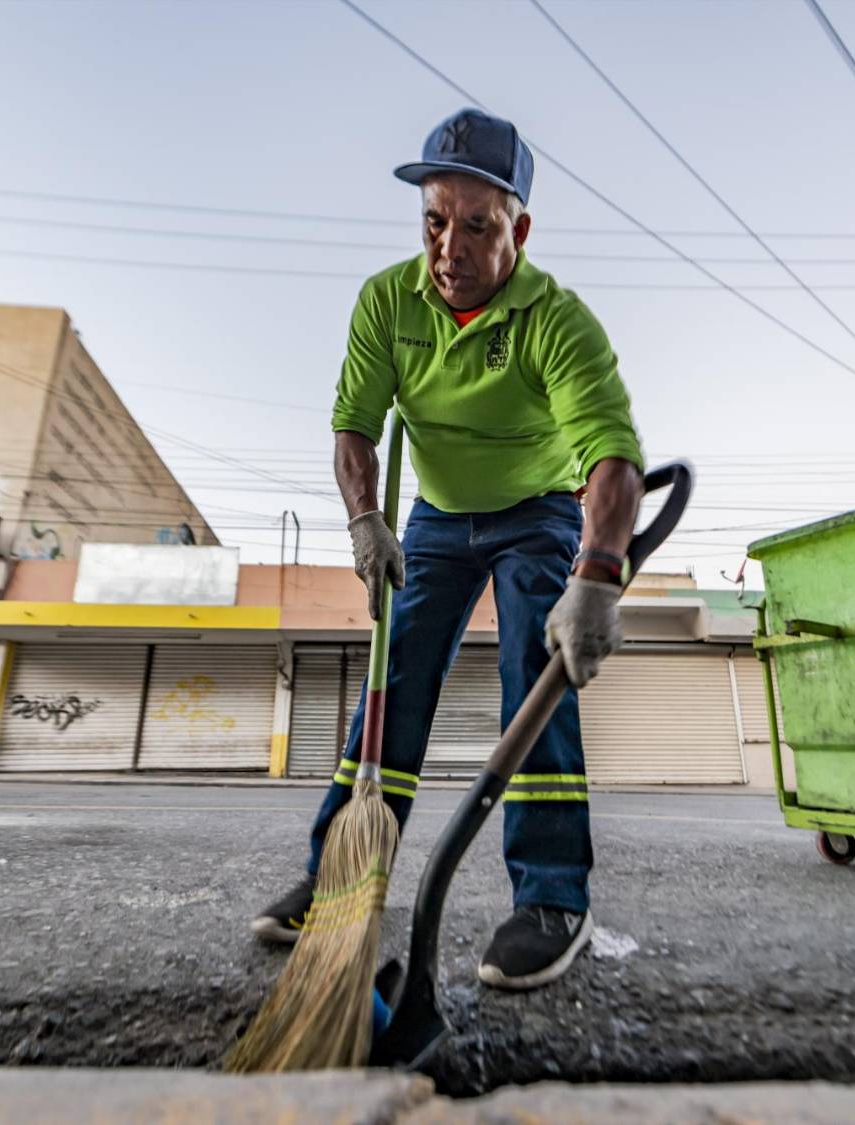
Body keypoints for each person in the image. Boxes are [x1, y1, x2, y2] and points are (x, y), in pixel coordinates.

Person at [250, 108, 644, 991]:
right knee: (392, 685)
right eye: (434, 221)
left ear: (519, 230)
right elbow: (354, 426)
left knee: (529, 675)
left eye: (477, 226)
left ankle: (551, 899)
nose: (449, 247)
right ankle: (340, 878)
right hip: (432, 517)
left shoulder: (557, 321)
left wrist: (597, 578)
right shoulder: (389, 301)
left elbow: (613, 459)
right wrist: (363, 521)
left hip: (537, 509)